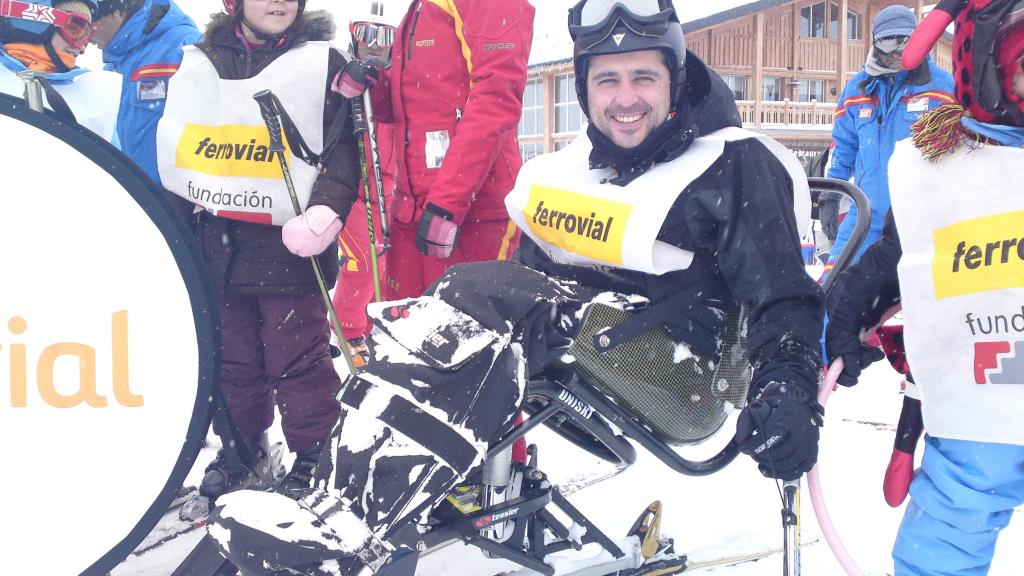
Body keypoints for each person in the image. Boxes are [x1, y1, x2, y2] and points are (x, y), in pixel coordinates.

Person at [205, 1, 826, 574]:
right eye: (606, 81)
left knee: (476, 292)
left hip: (681, 377)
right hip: (591, 342)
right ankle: (340, 494)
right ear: (584, 91)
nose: (625, 99)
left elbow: (783, 292)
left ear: (676, 80)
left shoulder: (734, 163)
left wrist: (789, 383)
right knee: (434, 316)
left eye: (644, 78)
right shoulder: (587, 166)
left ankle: (353, 522)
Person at [826, 1, 1024, 573]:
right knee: (947, 532)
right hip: (984, 395)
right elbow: (905, 226)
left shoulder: (934, 93)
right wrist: (864, 289)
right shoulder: (941, 131)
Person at [154, 0, 361, 499]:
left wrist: (328, 209)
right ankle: (245, 450)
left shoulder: (322, 64)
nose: (278, 3)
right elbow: (183, 150)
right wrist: (171, 231)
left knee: (299, 359)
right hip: (218, 247)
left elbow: (342, 149)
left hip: (290, 247)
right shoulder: (204, 62)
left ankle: (315, 454)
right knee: (234, 359)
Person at [338, 0, 535, 301]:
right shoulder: (419, 9)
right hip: (413, 208)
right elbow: (415, 107)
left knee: (465, 334)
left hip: (471, 214)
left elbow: (497, 94)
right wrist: (375, 86)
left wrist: (448, 203)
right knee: (403, 331)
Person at [821, 5, 954, 278]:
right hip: (866, 214)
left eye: (904, 42)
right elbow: (844, 148)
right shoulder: (857, 90)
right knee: (832, 287)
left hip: (923, 214)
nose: (896, 52)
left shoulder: (943, 88)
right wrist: (830, 197)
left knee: (927, 295)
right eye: (888, 42)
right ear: (874, 43)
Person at [330, 0, 400, 367]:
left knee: (387, 262)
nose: (375, 43)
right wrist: (348, 85)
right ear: (353, 36)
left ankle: (372, 323)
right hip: (353, 189)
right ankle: (347, 327)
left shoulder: (400, 82)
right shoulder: (344, 76)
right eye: (366, 34)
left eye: (384, 35)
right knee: (363, 260)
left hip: (390, 190)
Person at [88, 0, 201, 184]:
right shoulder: (114, 61)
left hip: (171, 202)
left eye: (91, 20)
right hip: (131, 195)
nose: (86, 31)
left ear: (116, 12)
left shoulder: (185, 46)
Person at [0, 0, 121, 142]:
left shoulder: (90, 98)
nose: (82, 48)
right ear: (36, 21)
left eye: (87, 36)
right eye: (75, 30)